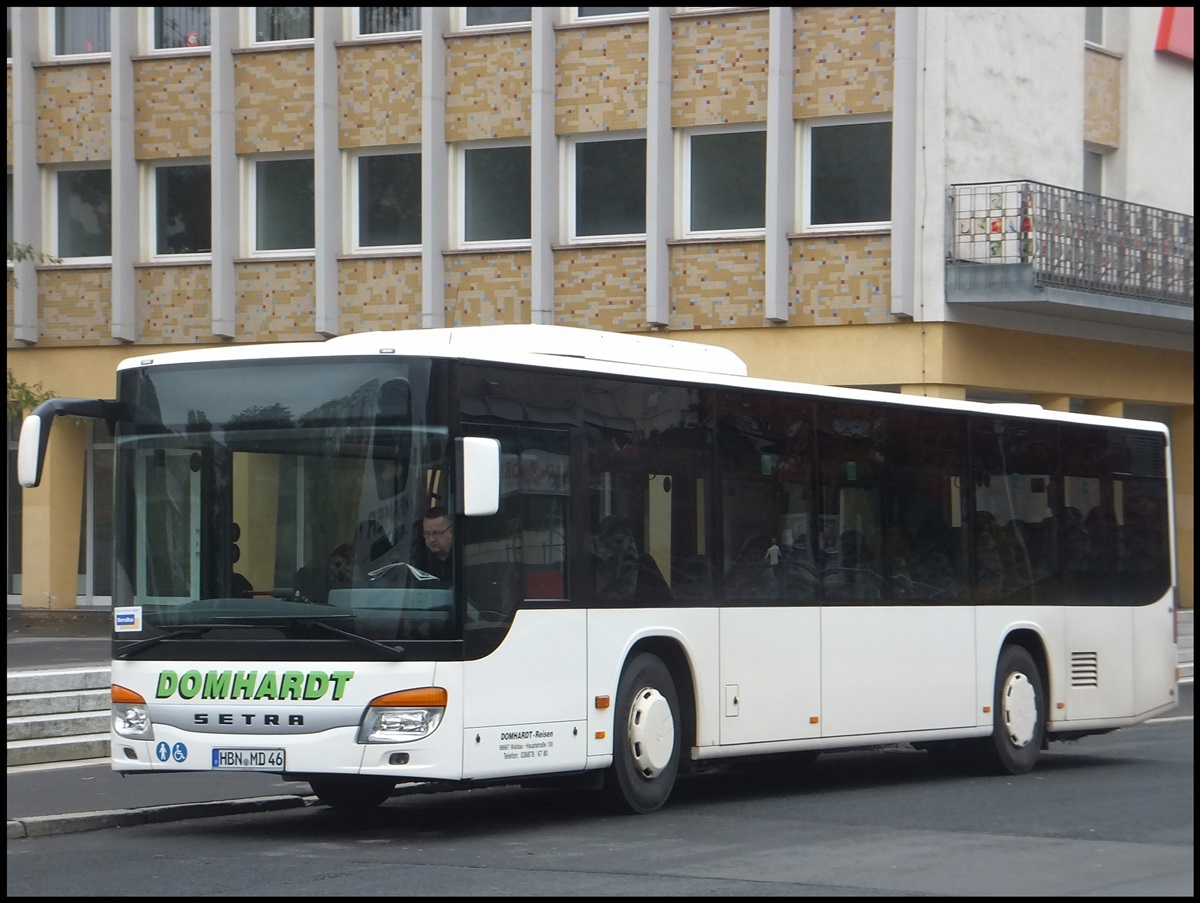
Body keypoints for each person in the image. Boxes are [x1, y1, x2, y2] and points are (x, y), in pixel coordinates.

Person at [419, 506, 454, 581]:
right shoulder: (420, 559)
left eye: (436, 533)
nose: (431, 540)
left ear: (451, 532)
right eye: (427, 533)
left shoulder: (463, 558)